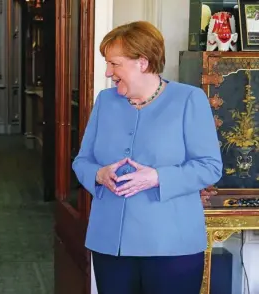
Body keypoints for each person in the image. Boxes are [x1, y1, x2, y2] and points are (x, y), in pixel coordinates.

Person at [72, 21, 222, 294]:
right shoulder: (105, 101)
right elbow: (81, 161)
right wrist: (98, 174)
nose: (108, 73)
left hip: (172, 246)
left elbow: (209, 167)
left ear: (142, 62)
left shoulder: (189, 99)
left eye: (114, 64)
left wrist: (157, 177)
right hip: (110, 245)